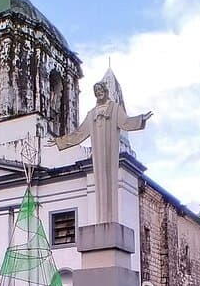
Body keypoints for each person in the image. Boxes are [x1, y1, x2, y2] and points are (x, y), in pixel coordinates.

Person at [50, 79, 152, 225]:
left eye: (100, 91)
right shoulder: (92, 114)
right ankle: (101, 221)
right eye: (96, 92)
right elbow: (79, 134)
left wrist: (141, 119)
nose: (98, 93)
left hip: (110, 151)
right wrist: (59, 141)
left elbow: (125, 122)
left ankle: (111, 220)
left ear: (106, 92)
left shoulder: (115, 109)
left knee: (110, 181)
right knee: (100, 182)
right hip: (97, 155)